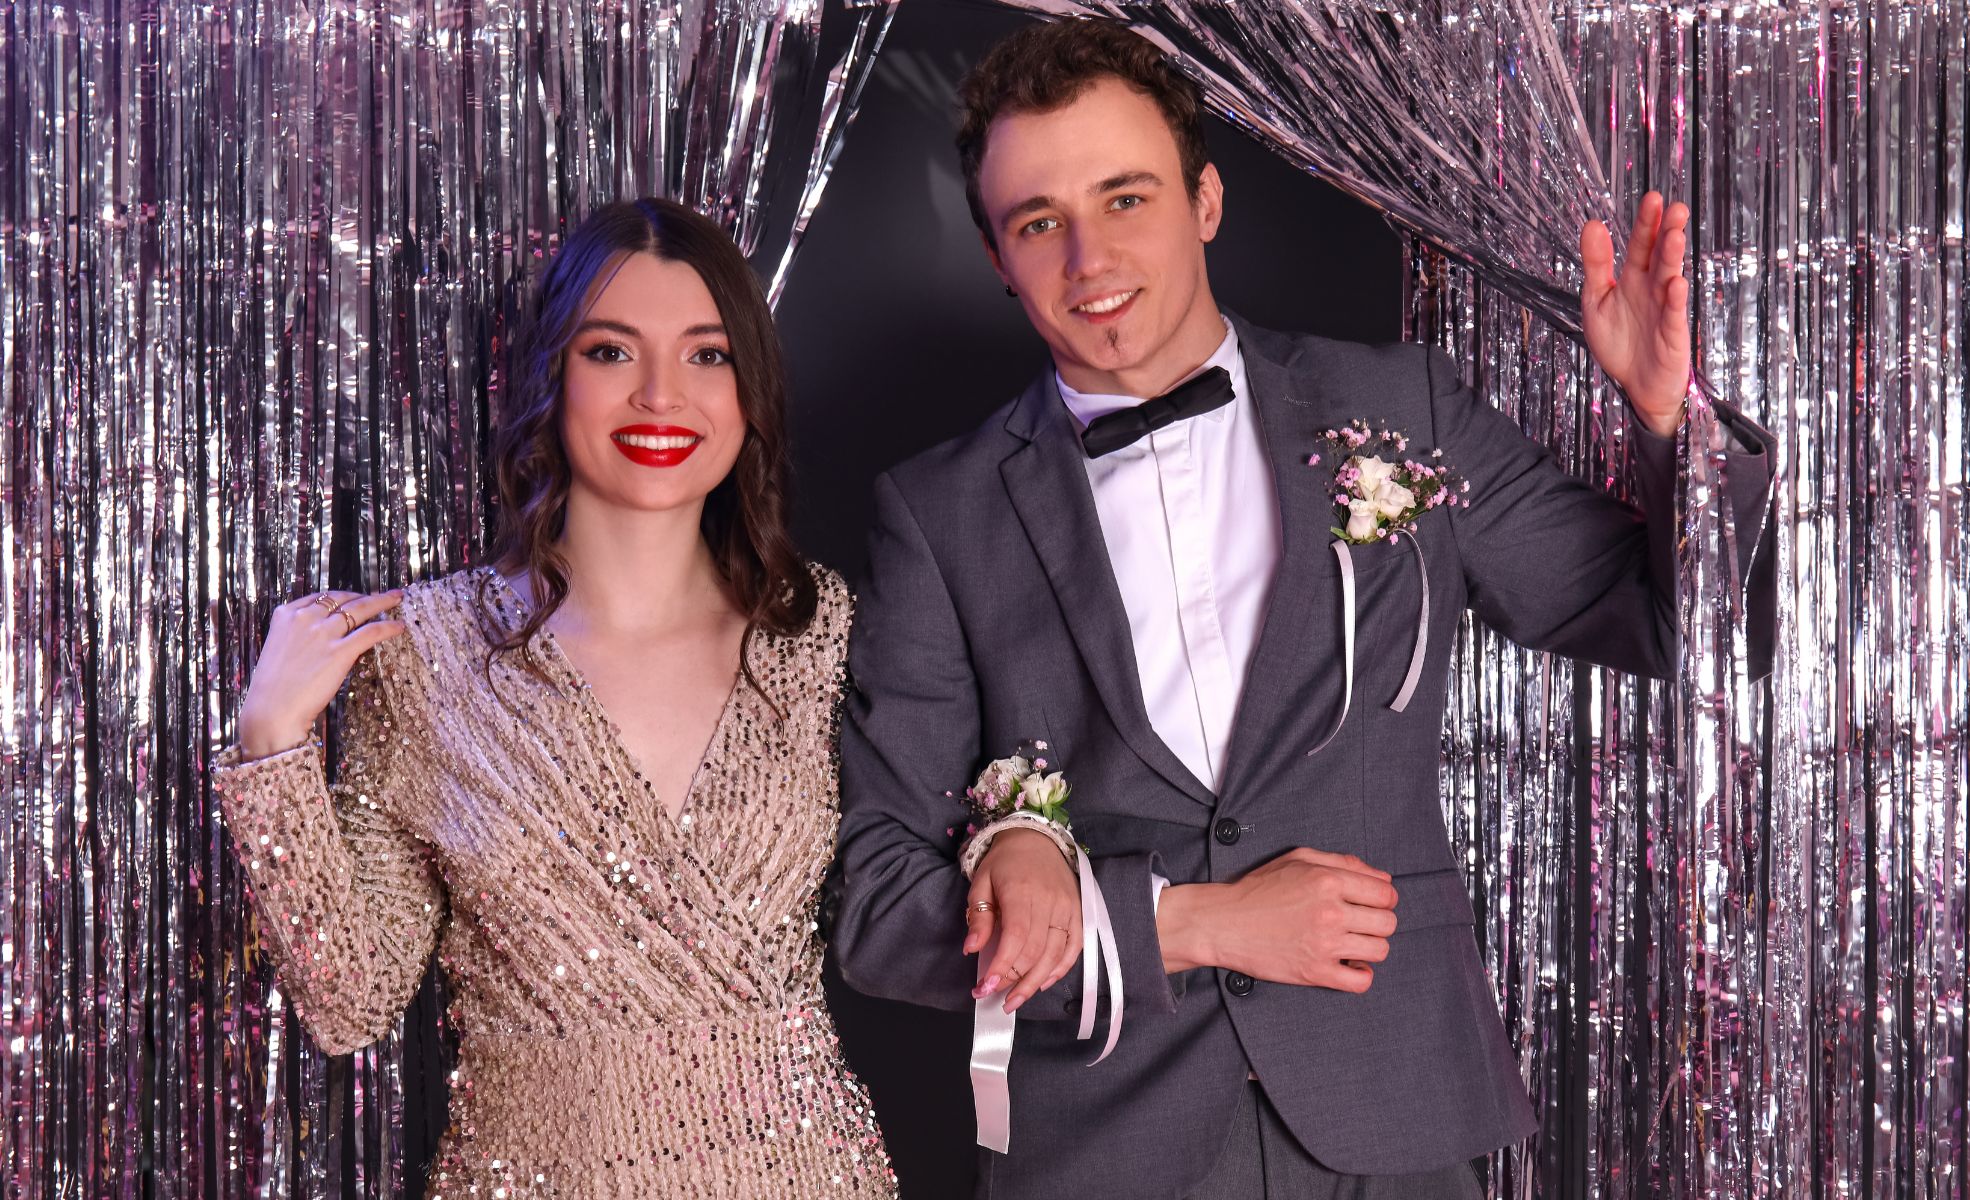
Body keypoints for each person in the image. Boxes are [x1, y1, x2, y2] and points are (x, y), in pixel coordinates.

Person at [830, 19, 1775, 1200]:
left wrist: (1667, 422)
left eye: (1125, 198)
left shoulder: (1396, 405)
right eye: (1038, 222)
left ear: (1205, 199)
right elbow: (883, 910)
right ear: (995, 256)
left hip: (1394, 1116)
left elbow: (1659, 619)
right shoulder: (936, 513)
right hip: (1108, 1151)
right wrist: (1190, 923)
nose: (1087, 256)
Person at [214, 198, 895, 1198]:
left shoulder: (815, 630)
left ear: (749, 389)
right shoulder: (426, 655)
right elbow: (351, 1001)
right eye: (612, 353)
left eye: (706, 356)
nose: (661, 395)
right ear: (550, 375)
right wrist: (269, 743)